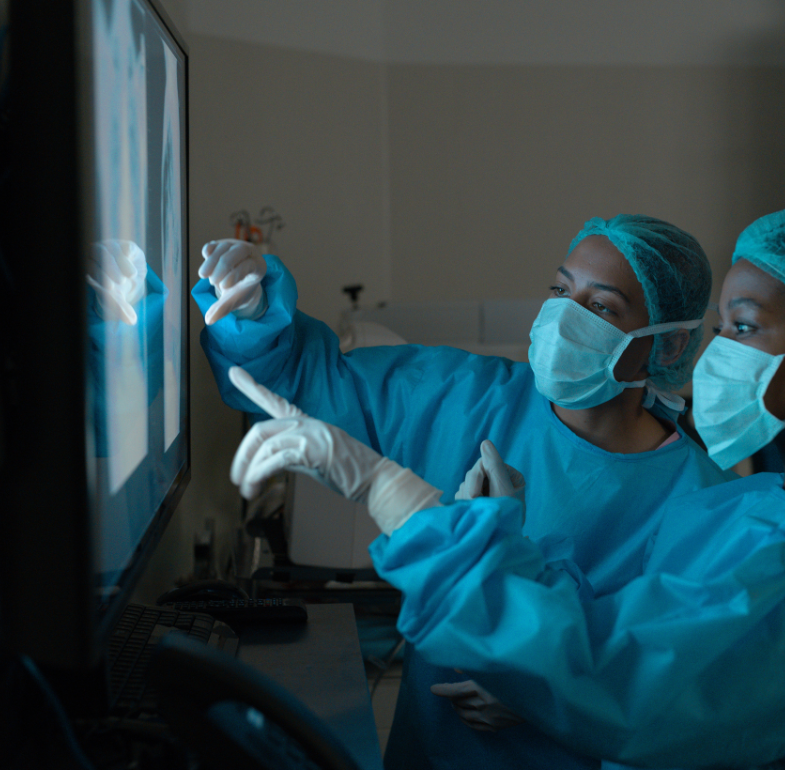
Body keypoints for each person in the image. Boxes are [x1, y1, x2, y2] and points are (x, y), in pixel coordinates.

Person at [228, 197, 785, 769]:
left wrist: (392, 495)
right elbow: (626, 627)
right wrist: (506, 550)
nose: (716, 355)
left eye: (744, 328)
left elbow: (615, 672)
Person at [193, 215, 735, 770]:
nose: (562, 318)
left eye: (600, 308)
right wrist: (254, 309)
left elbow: (676, 697)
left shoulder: (701, 504)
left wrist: (555, 703)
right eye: (560, 290)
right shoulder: (469, 398)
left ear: (667, 345)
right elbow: (305, 381)